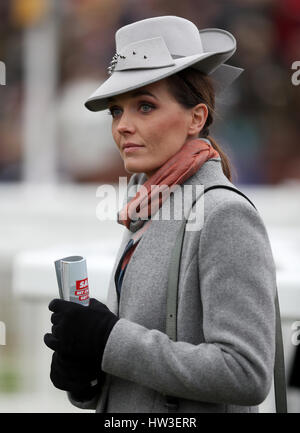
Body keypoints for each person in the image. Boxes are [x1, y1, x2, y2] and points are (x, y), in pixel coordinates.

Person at [44, 15, 277, 413]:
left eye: (145, 107)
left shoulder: (224, 213)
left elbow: (246, 373)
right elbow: (141, 360)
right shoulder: (148, 201)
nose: (123, 126)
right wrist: (86, 377)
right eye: (116, 111)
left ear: (196, 118)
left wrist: (108, 340)